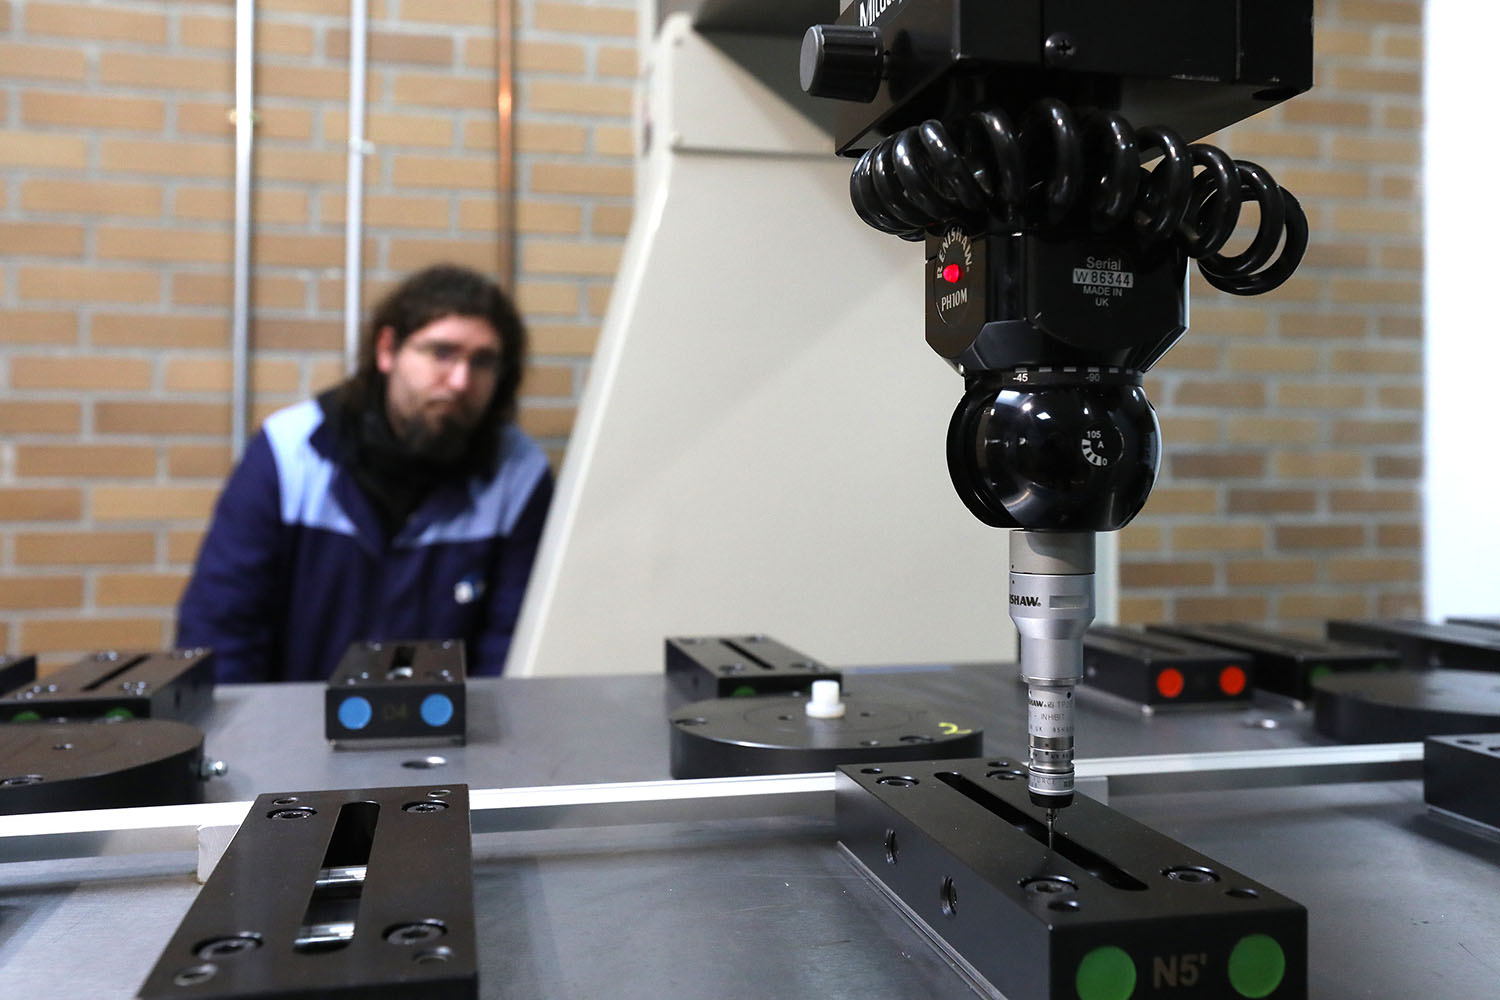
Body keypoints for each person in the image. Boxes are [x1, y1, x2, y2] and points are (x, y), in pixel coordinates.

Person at [177, 264, 553, 682]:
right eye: (442, 353)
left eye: (483, 362)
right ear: (387, 349)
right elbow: (222, 629)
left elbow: (516, 647)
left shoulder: (518, 476)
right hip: (294, 734)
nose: (462, 381)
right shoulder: (291, 454)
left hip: (453, 736)